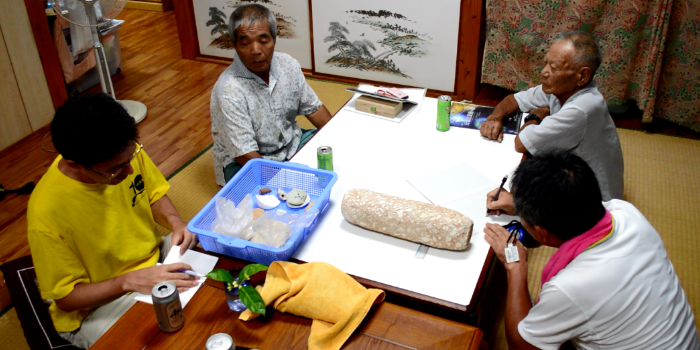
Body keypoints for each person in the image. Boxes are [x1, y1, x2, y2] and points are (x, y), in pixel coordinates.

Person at [27, 94, 199, 349]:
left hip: (154, 258)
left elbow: (150, 192)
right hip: (99, 305)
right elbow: (65, 297)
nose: (129, 171)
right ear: (75, 165)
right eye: (116, 169)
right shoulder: (46, 214)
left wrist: (176, 223)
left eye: (131, 159)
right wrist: (128, 281)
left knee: (219, 270)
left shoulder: (121, 152)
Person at [484, 152, 699, 350]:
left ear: (542, 231)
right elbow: (571, 206)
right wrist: (521, 204)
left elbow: (521, 345)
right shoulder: (626, 213)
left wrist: (515, 267)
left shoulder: (568, 288)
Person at [480, 31, 623, 201]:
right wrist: (495, 117)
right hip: (573, 175)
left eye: (553, 68)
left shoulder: (581, 109)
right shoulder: (561, 88)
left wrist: (536, 117)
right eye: (546, 63)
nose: (544, 72)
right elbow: (514, 100)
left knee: (515, 197)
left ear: (582, 76)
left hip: (593, 203)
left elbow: (521, 144)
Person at [211, 4, 333, 186]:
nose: (256, 50)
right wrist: (289, 178)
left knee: (330, 154)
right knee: (279, 199)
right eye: (245, 43)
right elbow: (245, 154)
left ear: (274, 39)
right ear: (234, 45)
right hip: (244, 162)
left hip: (291, 144)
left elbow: (315, 110)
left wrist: (336, 138)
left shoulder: (288, 65)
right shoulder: (228, 90)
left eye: (263, 40)